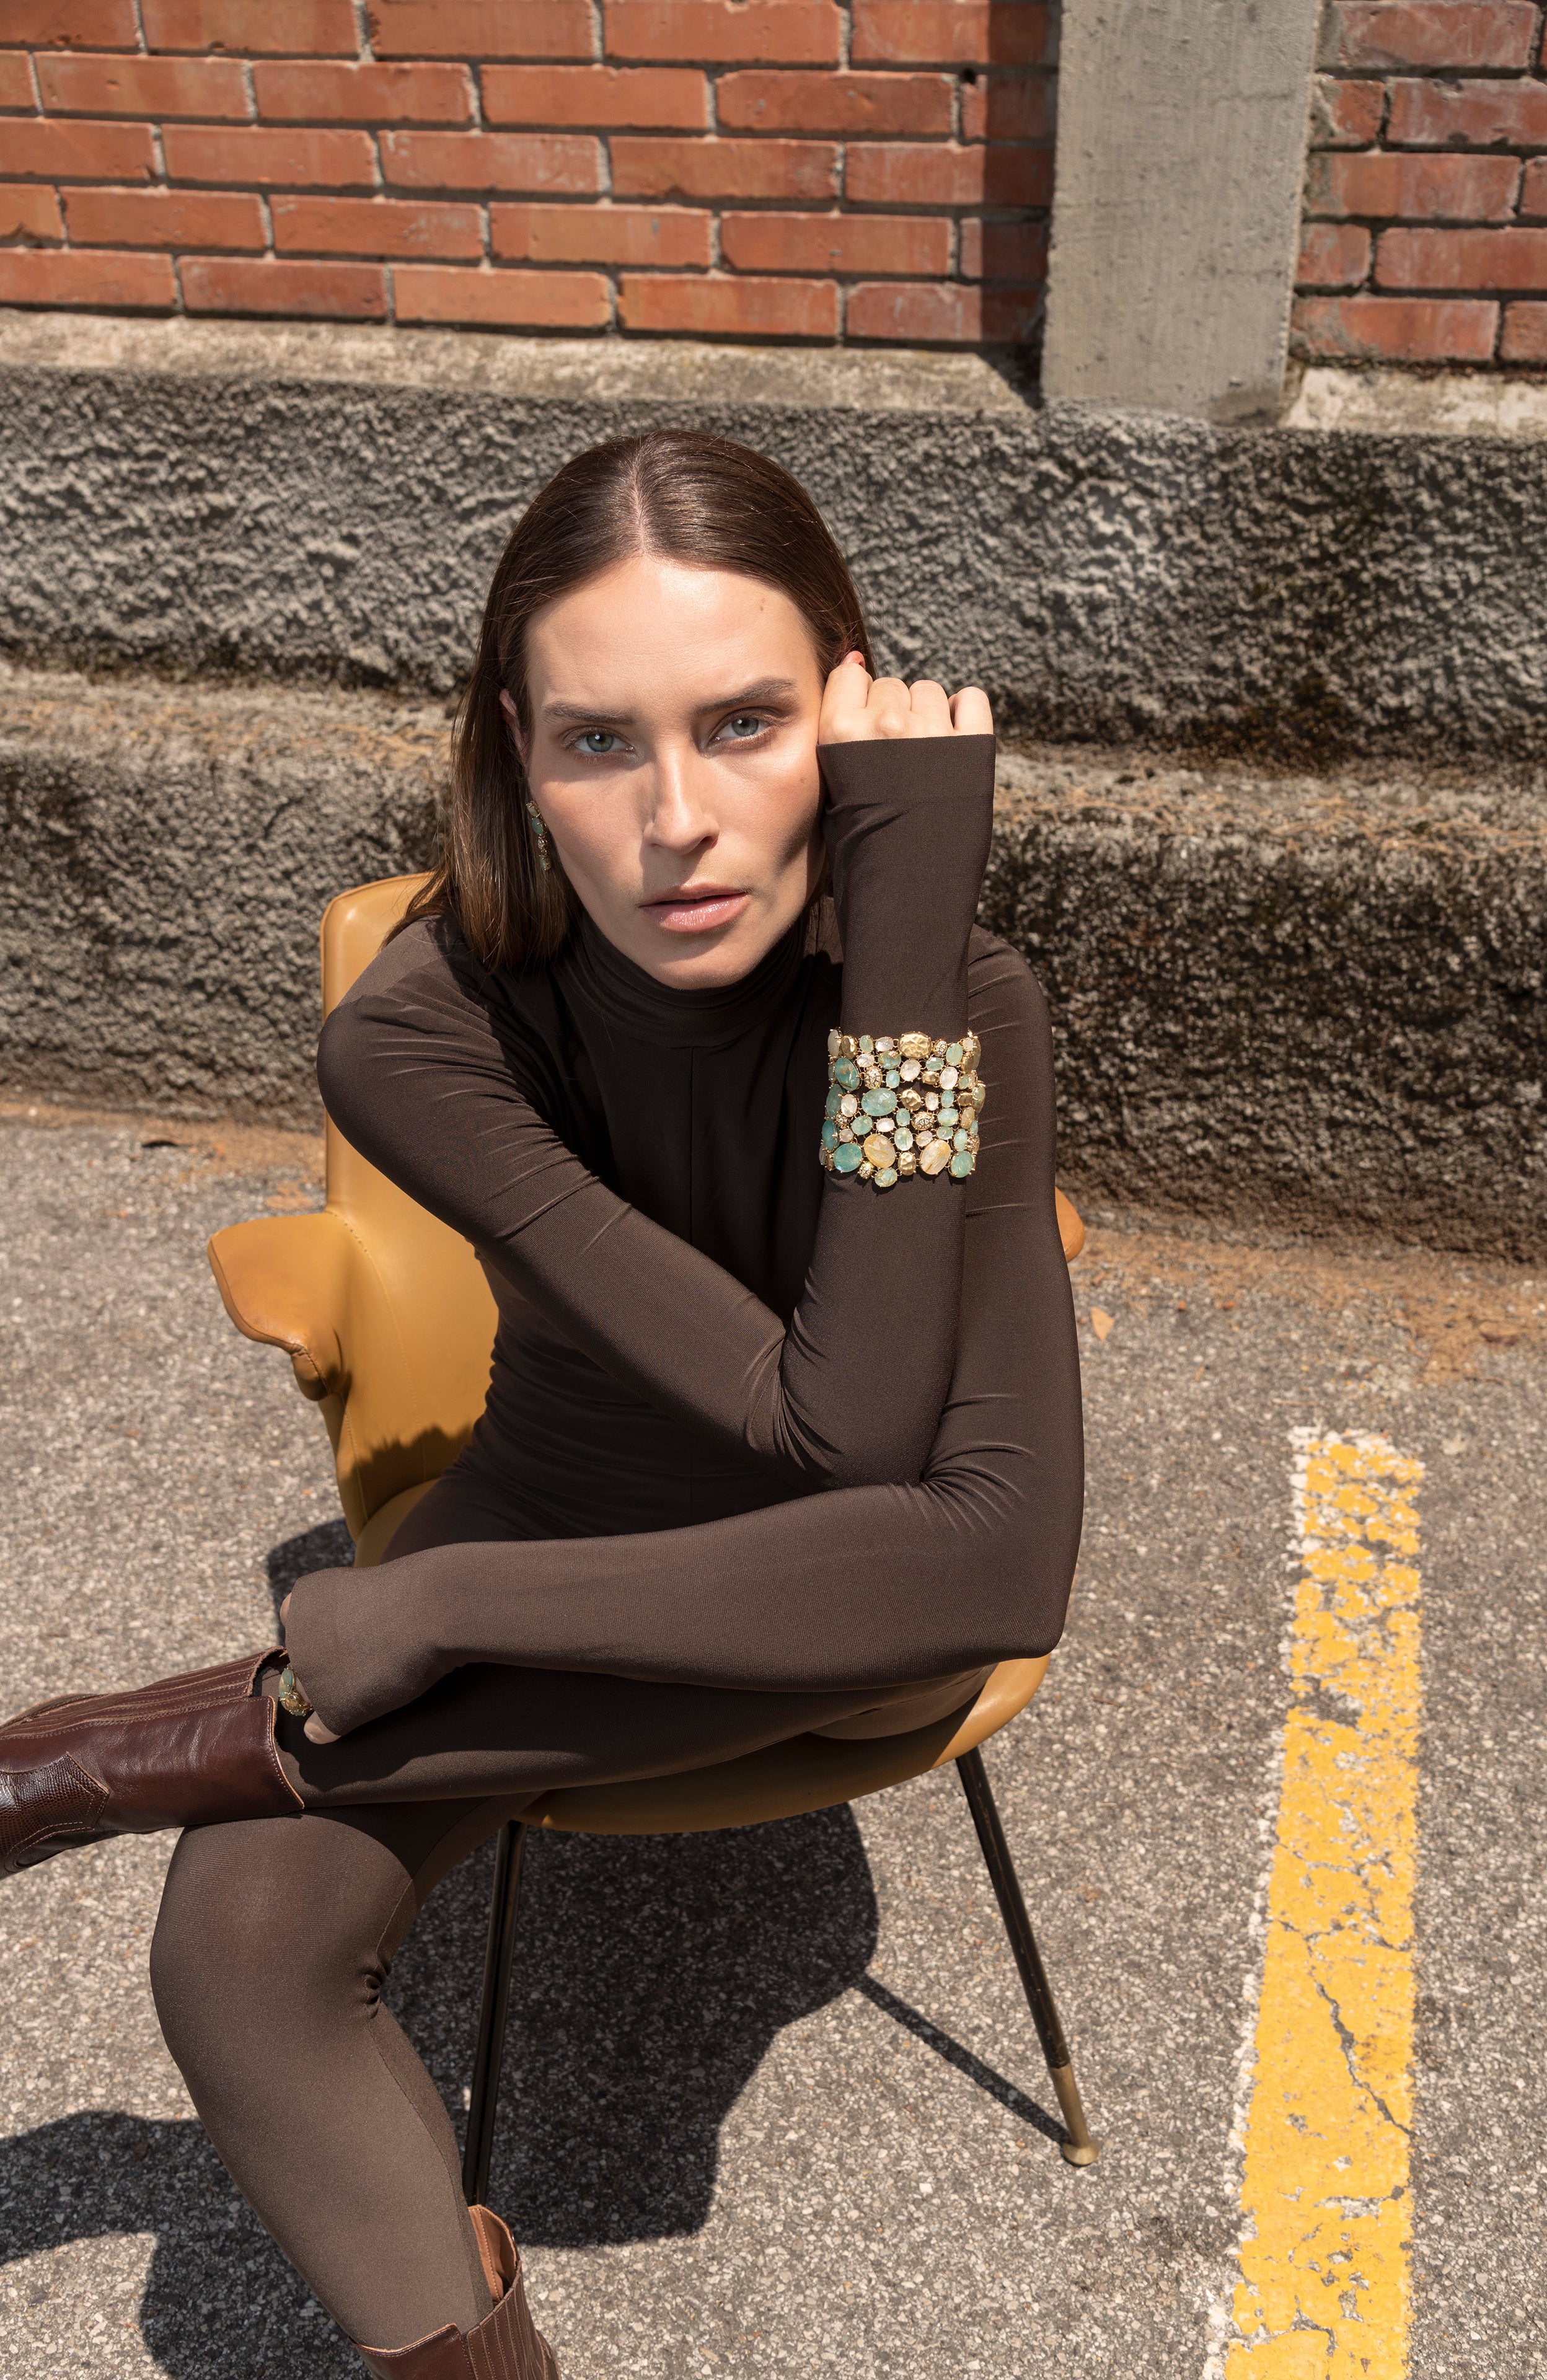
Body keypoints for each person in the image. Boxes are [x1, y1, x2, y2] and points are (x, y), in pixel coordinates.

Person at [0, 432, 1083, 2378]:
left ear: (848, 718)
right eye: (599, 742)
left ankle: (109, 1755)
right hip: (580, 1502)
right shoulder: (419, 1033)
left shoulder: (949, 995)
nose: (680, 820)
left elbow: (955, 1535)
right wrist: (467, 1584)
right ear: (516, 748)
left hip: (851, 1602)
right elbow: (815, 1414)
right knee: (237, 1945)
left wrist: (440, 1608)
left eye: (746, 724)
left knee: (895, 1580)